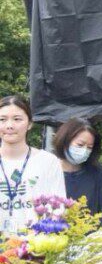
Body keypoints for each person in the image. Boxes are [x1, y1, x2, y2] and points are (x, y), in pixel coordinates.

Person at [0, 95, 66, 234]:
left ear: (29, 123)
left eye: (17, 119)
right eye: (2, 119)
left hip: (36, 243)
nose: (9, 125)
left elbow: (58, 208)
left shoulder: (48, 162)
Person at [53, 118, 102, 228]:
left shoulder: (98, 172)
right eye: (80, 145)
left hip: (91, 236)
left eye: (89, 147)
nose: (84, 151)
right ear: (65, 141)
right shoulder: (49, 171)